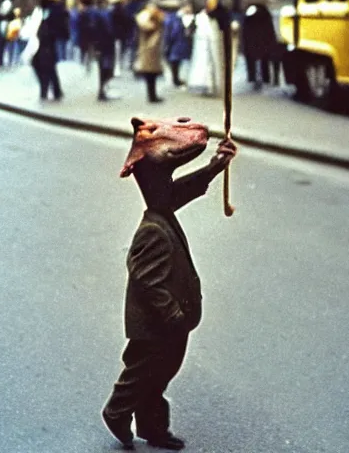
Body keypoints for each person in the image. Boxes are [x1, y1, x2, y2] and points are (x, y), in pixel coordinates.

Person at [101, 116, 237, 451]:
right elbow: (148, 283)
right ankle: (116, 412)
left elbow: (179, 192)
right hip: (156, 327)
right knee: (141, 375)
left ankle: (153, 428)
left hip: (167, 325)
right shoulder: (152, 231)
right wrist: (173, 316)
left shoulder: (161, 212)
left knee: (158, 378)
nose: (174, 192)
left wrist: (215, 166)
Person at [30, 0, 70, 101]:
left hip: (49, 41)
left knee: (45, 65)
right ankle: (54, 91)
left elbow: (61, 24)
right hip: (44, 41)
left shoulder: (56, 8)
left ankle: (48, 91)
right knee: (47, 66)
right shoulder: (46, 8)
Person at [242, 0, 279, 89]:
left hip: (256, 41)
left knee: (257, 61)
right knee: (262, 61)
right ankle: (263, 79)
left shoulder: (254, 12)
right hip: (260, 41)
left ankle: (256, 78)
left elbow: (246, 27)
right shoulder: (265, 13)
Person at [134, 3, 165, 103]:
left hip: (151, 50)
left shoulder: (152, 20)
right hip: (149, 50)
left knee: (152, 74)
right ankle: (152, 96)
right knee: (150, 74)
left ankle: (153, 95)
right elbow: (147, 26)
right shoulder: (146, 20)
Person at [163, 3, 193, 87]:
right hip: (176, 42)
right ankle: (175, 79)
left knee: (176, 61)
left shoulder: (182, 17)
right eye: (188, 7)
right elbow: (173, 31)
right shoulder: (176, 18)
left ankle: (176, 78)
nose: (190, 9)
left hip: (178, 43)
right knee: (174, 61)